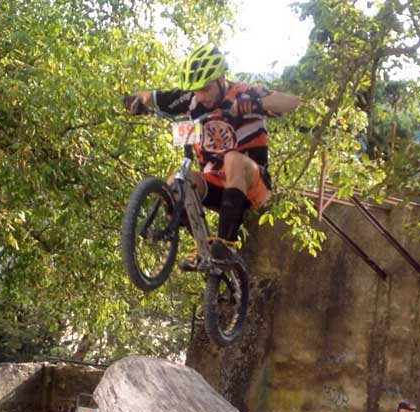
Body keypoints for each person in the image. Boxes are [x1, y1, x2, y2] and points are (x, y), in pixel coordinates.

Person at [123, 43, 299, 265]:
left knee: (232, 158)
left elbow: (291, 102)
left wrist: (254, 104)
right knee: (178, 181)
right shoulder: (192, 100)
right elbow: (151, 96)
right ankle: (205, 249)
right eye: (196, 89)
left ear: (221, 78)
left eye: (206, 88)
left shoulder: (244, 92)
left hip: (252, 184)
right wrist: (135, 100)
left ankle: (225, 244)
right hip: (217, 186)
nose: (201, 95)